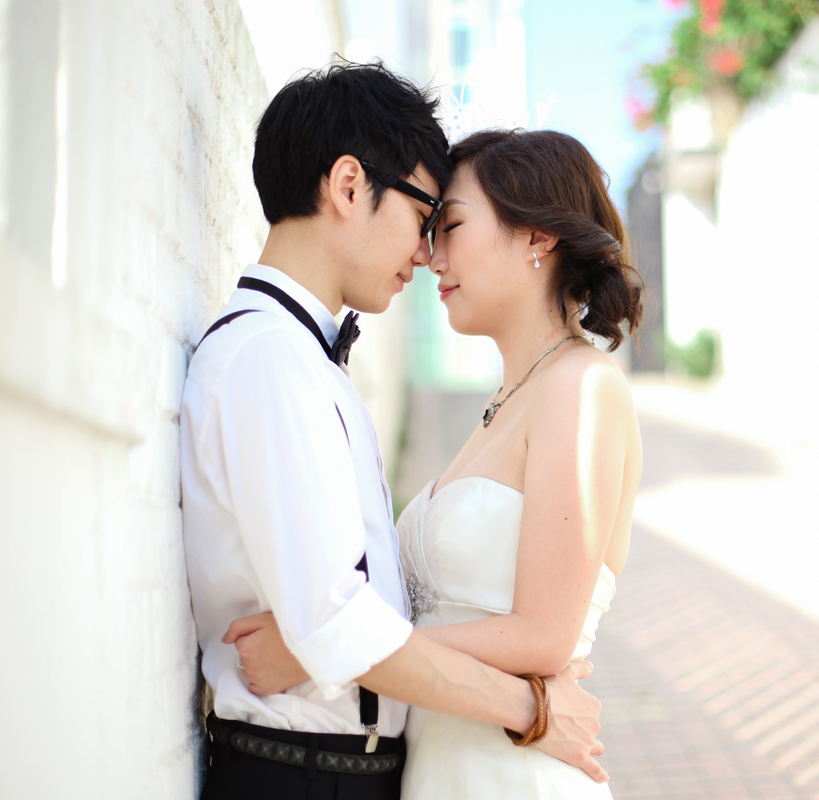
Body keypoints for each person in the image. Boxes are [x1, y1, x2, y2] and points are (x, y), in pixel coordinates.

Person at [180, 63, 606, 800]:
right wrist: (532, 708)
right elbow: (333, 624)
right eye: (421, 215)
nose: (424, 252)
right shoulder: (270, 359)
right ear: (349, 186)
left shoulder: (304, 361)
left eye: (446, 226)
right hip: (299, 776)